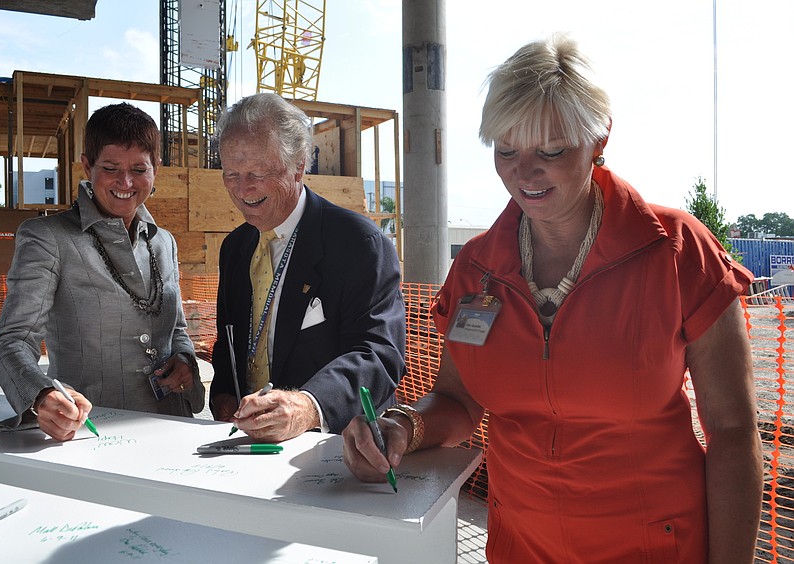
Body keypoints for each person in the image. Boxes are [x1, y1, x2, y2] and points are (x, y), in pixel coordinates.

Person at [343, 35, 762, 562]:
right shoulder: (475, 268)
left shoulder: (679, 253)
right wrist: (405, 424)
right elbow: (458, 400)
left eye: (551, 150)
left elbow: (733, 432)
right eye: (506, 150)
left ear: (599, 137)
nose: (523, 173)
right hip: (521, 549)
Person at [0, 102, 204, 441]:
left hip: (171, 427)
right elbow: (11, 341)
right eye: (110, 167)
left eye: (139, 168)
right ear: (87, 166)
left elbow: (176, 329)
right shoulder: (48, 238)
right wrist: (41, 396)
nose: (126, 181)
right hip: (90, 433)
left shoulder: (164, 243)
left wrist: (184, 361)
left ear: (156, 169)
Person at [209, 93, 406, 443]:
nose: (242, 189)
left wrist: (307, 406)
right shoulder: (235, 248)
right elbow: (230, 342)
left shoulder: (358, 244)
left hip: (334, 452)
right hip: (248, 448)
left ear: (299, 166)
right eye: (231, 175)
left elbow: (379, 356)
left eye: (257, 173)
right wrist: (224, 396)